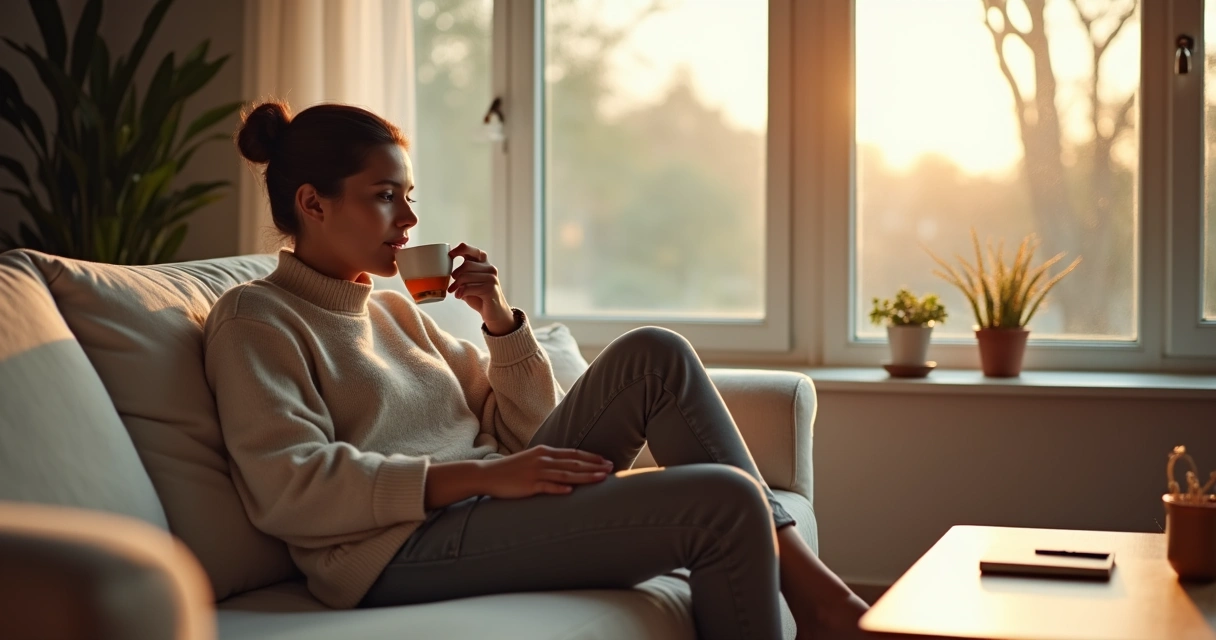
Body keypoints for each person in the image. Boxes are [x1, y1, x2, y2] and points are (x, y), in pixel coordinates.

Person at [204, 101, 870, 640]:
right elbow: (292, 486)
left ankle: (824, 600)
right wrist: (481, 477)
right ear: (313, 203)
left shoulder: (394, 313)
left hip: (485, 508)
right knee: (723, 500)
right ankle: (829, 609)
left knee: (654, 353)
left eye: (408, 197)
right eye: (385, 197)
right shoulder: (255, 318)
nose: (409, 219)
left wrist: (498, 322)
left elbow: (525, 433)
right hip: (396, 550)